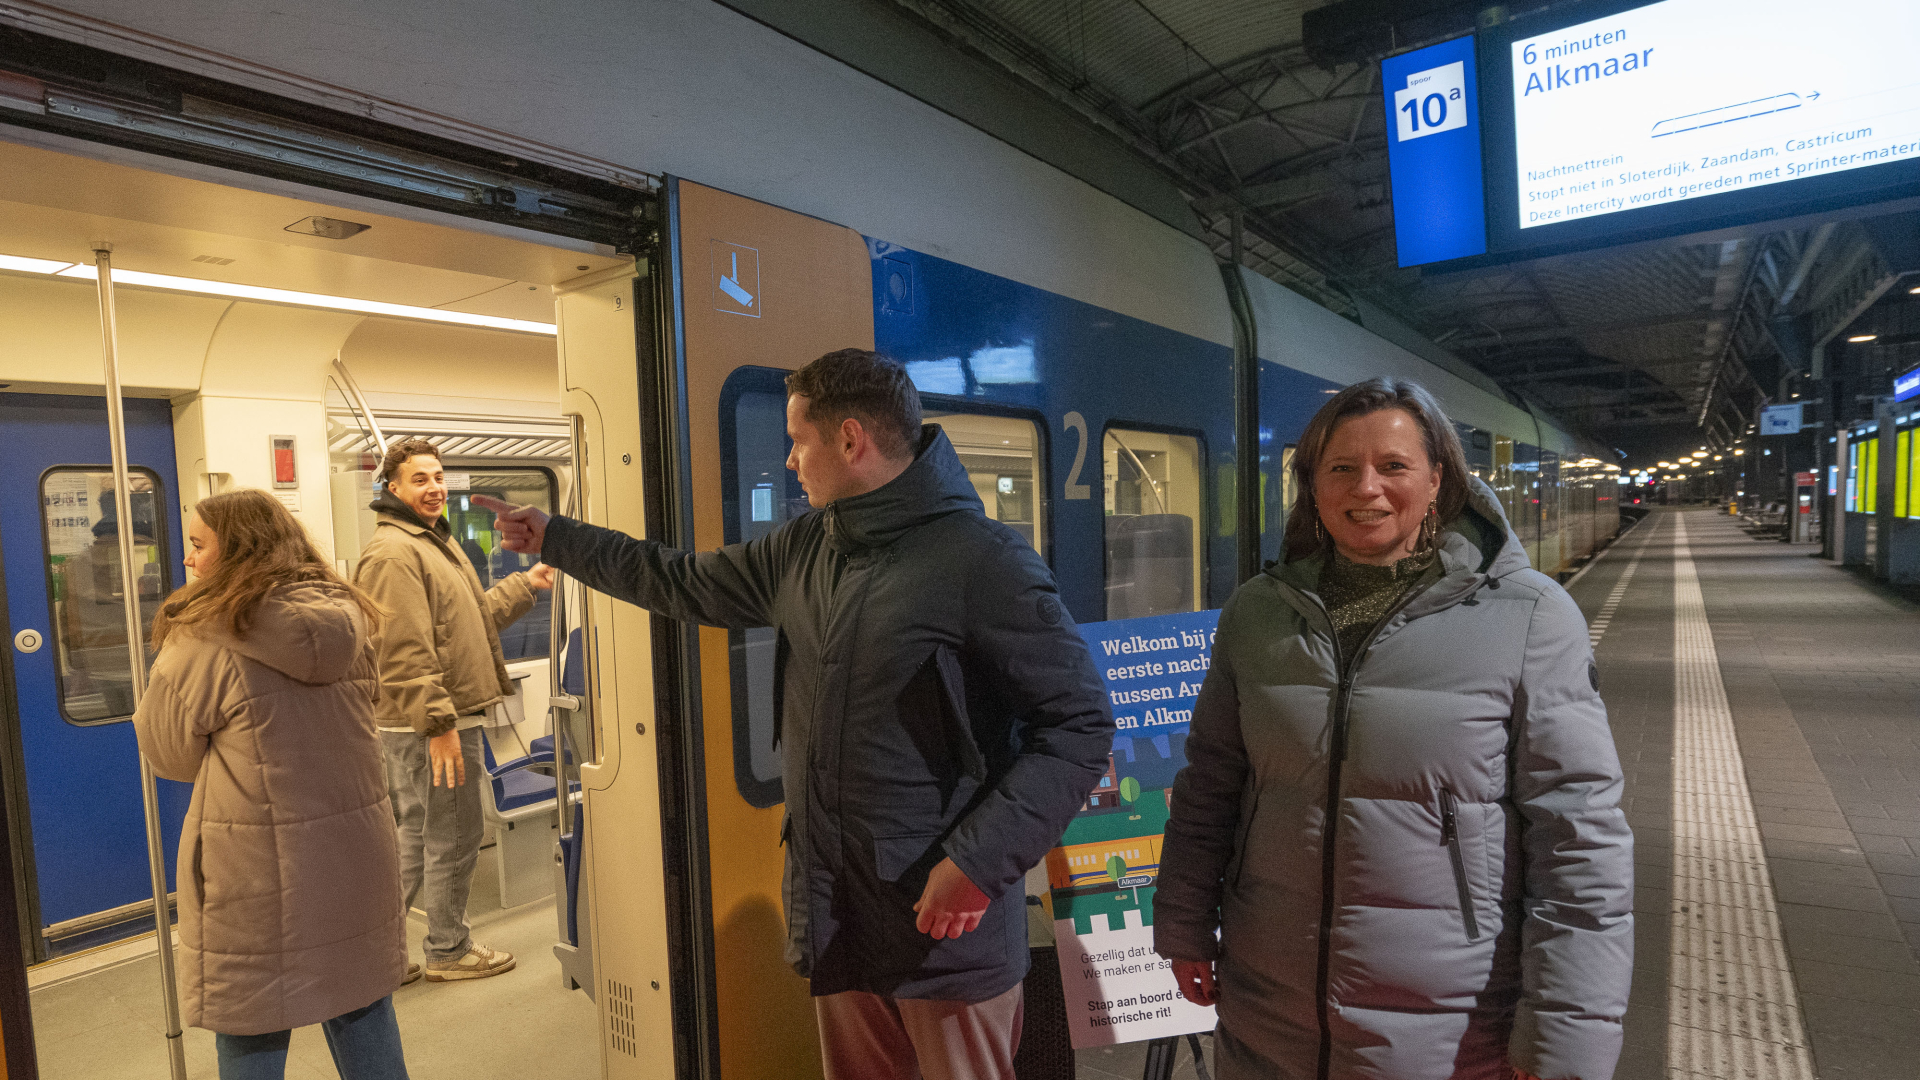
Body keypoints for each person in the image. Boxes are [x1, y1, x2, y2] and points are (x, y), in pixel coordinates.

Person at [477, 348, 1113, 1080]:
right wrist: (557, 537)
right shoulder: (808, 548)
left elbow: (1078, 728)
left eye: (798, 440)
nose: (789, 461)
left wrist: (978, 862)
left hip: (946, 930)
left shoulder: (984, 561)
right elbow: (679, 580)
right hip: (839, 913)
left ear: (851, 440)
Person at [1153, 378, 1633, 1080]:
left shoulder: (1531, 616)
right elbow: (1211, 786)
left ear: (1439, 479)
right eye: (1340, 468)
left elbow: (1579, 836)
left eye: (1395, 466)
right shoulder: (1258, 613)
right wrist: (1185, 925)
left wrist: (1566, 1033)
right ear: (1310, 483)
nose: (1366, 488)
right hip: (1269, 1013)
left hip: (1450, 1027)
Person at [133, 489, 409, 1080]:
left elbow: (170, 755)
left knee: (252, 1025)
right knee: (361, 1007)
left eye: (198, 546)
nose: (189, 560)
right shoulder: (350, 618)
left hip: (254, 868)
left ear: (233, 551)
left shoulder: (203, 638)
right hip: (355, 854)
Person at [354, 439, 554, 982]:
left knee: (418, 838)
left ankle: (375, 955)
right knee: (456, 834)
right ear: (391, 489)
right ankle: (447, 948)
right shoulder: (396, 553)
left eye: (438, 476)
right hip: (432, 723)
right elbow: (402, 647)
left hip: (426, 719)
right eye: (419, 479)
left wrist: (525, 583)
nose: (434, 487)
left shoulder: (431, 543)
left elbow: (467, 620)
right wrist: (439, 724)